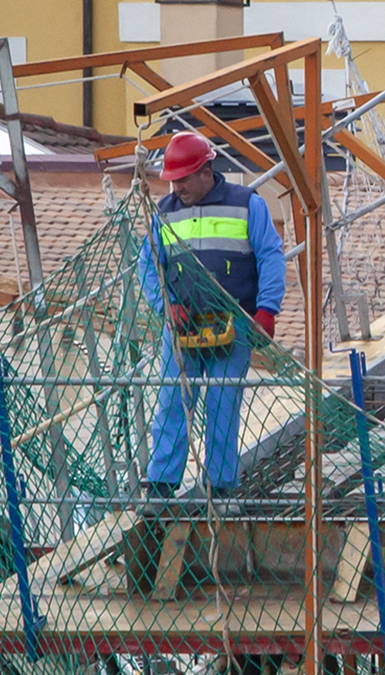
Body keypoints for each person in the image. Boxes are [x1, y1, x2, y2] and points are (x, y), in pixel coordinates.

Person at [137, 131, 286, 505]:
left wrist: (267, 310)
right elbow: (148, 267)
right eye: (173, 180)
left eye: (184, 178)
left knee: (222, 406)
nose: (177, 187)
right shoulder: (164, 213)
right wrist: (167, 306)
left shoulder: (247, 204)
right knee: (172, 401)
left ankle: (220, 488)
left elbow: (270, 256)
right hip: (182, 327)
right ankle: (161, 486)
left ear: (206, 171)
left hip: (232, 326)